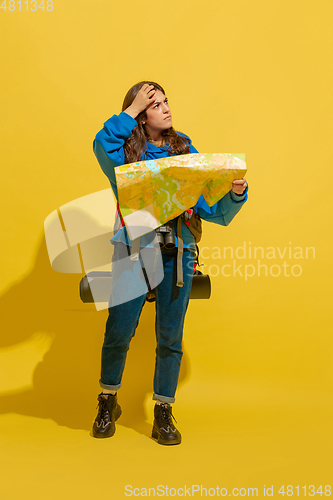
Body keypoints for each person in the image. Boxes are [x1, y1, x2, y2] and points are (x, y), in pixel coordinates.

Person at [92, 81, 248, 445]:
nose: (164, 108)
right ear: (141, 117)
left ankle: (163, 409)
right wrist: (129, 112)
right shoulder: (127, 156)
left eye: (165, 101)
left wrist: (236, 194)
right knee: (119, 331)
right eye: (153, 104)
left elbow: (211, 210)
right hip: (135, 251)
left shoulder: (186, 150)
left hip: (178, 252)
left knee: (170, 336)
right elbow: (102, 145)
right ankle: (106, 400)